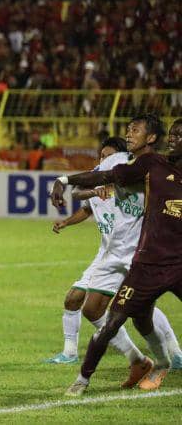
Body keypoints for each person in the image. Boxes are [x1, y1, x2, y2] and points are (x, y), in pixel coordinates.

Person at [51, 115, 182, 395]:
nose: (105, 159)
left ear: (149, 138)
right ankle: (140, 361)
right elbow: (96, 183)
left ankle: (168, 358)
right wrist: (64, 181)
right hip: (122, 253)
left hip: (146, 251)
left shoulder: (155, 165)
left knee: (141, 315)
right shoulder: (141, 165)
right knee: (95, 309)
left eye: (136, 130)